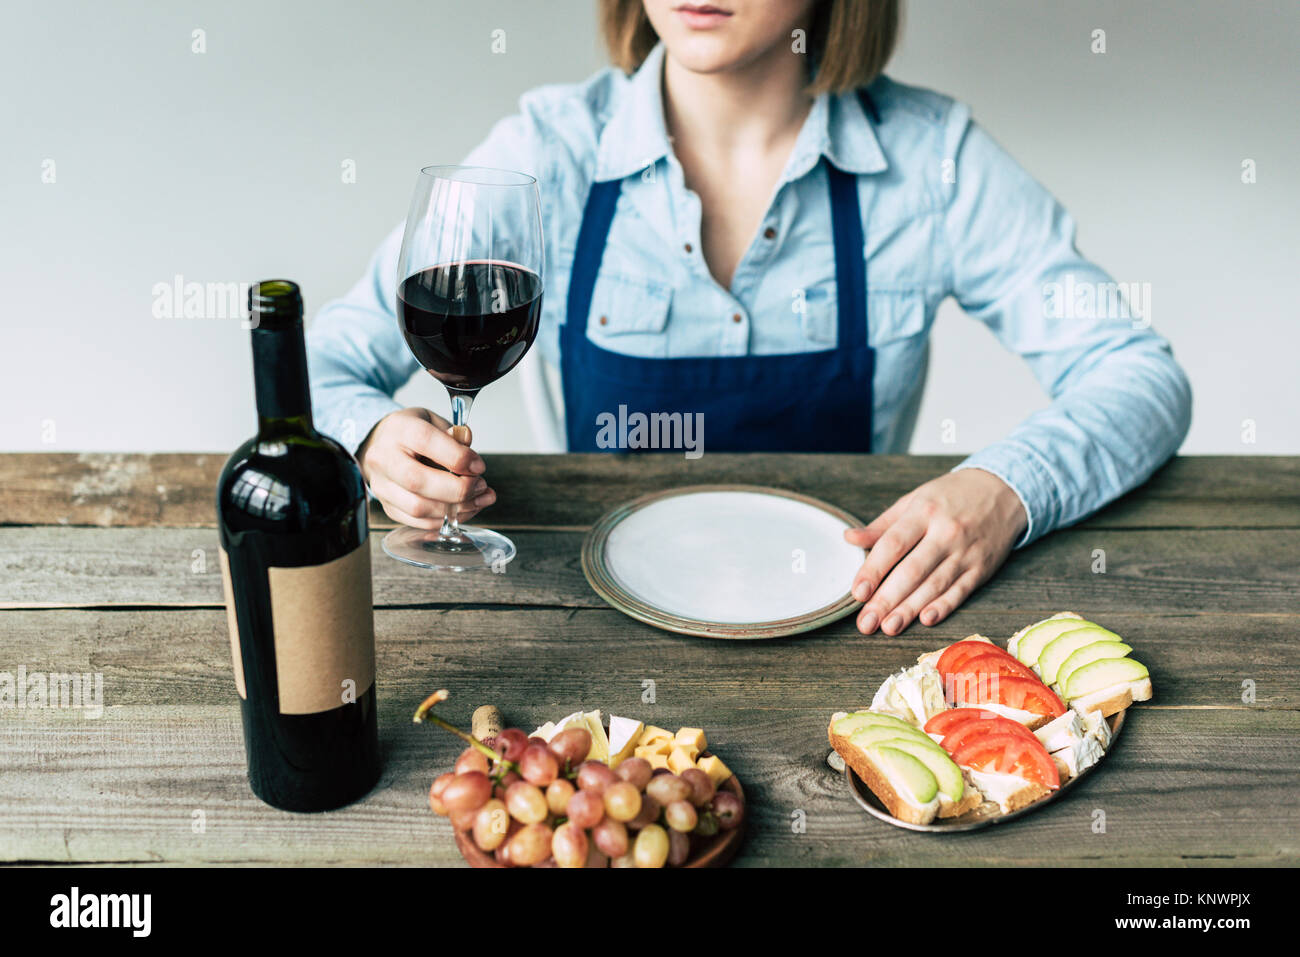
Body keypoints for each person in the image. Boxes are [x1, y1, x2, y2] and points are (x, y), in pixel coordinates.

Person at [306, 0, 1191, 636]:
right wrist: (372, 437)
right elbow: (323, 364)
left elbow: (1140, 374)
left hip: (861, 636)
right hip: (579, 635)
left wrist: (1004, 491)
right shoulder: (549, 151)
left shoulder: (933, 160)